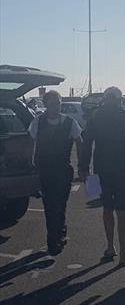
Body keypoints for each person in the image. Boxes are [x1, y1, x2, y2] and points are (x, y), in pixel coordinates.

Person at [79, 86, 125, 266]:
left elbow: (87, 142)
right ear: (120, 99)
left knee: (107, 207)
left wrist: (83, 166)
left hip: (102, 168)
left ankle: (110, 246)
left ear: (106, 99)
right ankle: (123, 254)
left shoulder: (96, 116)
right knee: (123, 211)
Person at [29, 90, 82, 255]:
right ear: (46, 105)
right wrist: (31, 163)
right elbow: (31, 142)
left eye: (58, 103)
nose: (56, 107)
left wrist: (82, 165)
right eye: (53, 104)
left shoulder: (69, 122)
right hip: (45, 170)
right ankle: (53, 238)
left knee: (60, 204)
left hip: (63, 170)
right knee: (49, 205)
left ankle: (59, 232)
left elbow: (79, 141)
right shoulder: (38, 122)